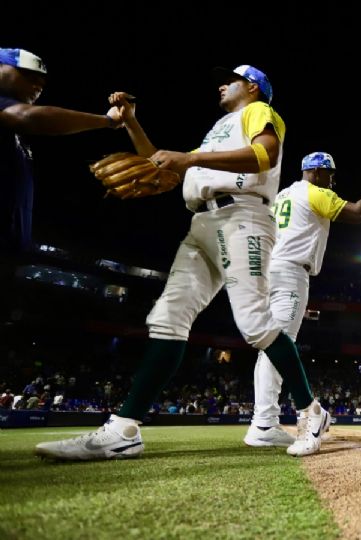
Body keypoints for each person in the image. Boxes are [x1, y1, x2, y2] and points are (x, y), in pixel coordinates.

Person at [35, 64, 329, 460]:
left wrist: (189, 159)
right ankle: (125, 428)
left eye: (233, 79)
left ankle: (311, 412)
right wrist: (133, 125)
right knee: (167, 317)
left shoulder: (257, 112)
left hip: (242, 217)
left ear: (253, 87)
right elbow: (160, 162)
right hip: (203, 222)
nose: (222, 83)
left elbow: (264, 154)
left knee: (255, 324)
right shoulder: (218, 128)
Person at [244, 151, 361, 447]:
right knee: (279, 346)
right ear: (319, 173)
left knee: (268, 349)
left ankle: (263, 423)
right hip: (289, 274)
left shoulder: (283, 195)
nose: (332, 182)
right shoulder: (315, 193)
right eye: (331, 175)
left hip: (267, 273)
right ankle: (269, 421)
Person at [1, 47, 124, 256]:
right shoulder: (12, 112)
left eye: (42, 80)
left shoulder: (12, 127)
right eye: (29, 75)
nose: (39, 85)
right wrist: (108, 121)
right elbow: (30, 117)